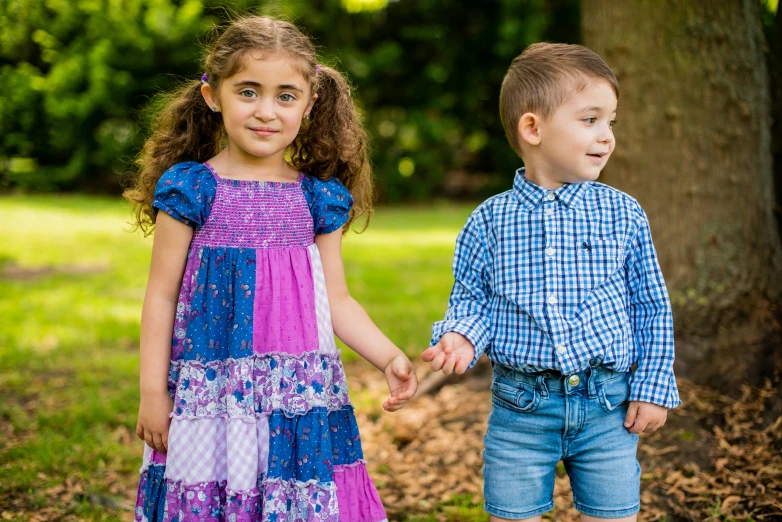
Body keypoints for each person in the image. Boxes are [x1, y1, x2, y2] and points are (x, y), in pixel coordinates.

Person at [124, 15, 416, 521]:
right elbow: (161, 296)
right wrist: (153, 392)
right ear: (213, 95)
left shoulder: (316, 199)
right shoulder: (193, 190)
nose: (266, 111)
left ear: (309, 103)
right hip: (214, 393)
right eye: (248, 92)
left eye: (285, 96)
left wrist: (388, 357)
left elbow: (337, 301)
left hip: (295, 397)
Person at [423, 43, 680, 521]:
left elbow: (650, 304)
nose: (606, 136)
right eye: (590, 120)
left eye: (611, 122)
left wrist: (652, 385)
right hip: (521, 411)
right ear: (533, 128)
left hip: (608, 406)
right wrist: (459, 336)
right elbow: (472, 300)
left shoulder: (622, 213)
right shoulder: (489, 222)